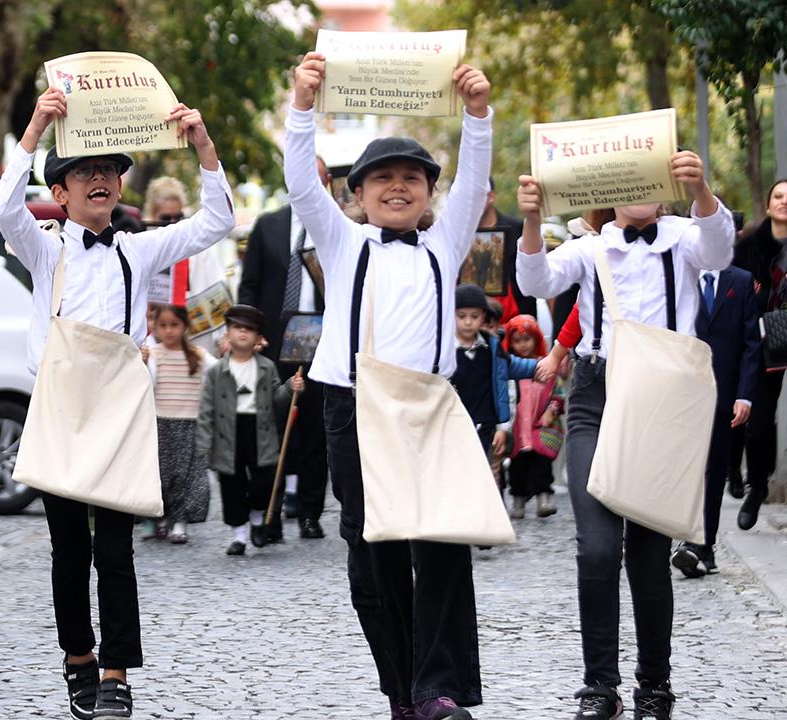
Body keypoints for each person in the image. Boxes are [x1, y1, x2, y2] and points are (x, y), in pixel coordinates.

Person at [0, 85, 233, 719]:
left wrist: (202, 144)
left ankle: (118, 670)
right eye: (83, 172)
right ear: (61, 194)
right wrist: (38, 124)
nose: (99, 179)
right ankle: (78, 658)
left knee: (117, 548)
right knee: (68, 547)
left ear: (121, 188)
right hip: (62, 409)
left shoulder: (140, 248)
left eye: (108, 171)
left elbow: (217, 223)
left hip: (122, 413)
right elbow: (2, 210)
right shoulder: (44, 246)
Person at [288, 51, 494, 720]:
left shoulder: (444, 243)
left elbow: (476, 177)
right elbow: (298, 181)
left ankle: (438, 687)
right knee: (370, 555)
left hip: (430, 406)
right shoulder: (343, 241)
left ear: (430, 193)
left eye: (412, 177)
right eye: (383, 179)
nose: (398, 187)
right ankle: (401, 686)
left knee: (439, 544)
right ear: (359, 193)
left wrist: (477, 111)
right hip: (351, 405)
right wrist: (301, 104)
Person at [515, 154, 735, 720]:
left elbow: (719, 249)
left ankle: (654, 687)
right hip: (596, 394)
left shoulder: (684, 237)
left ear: (663, 187)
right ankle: (599, 687)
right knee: (598, 546)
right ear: (609, 190)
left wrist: (700, 188)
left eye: (651, 178)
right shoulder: (591, 245)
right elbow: (535, 280)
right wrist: (534, 221)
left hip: (663, 401)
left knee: (647, 552)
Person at [239, 156, 330, 540]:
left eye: (317, 178)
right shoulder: (268, 225)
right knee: (269, 429)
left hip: (322, 341)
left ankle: (310, 512)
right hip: (274, 342)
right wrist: (250, 332)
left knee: (314, 430)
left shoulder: (335, 229)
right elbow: (250, 284)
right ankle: (268, 512)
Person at [669, 264, 758, 577]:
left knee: (712, 470)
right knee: (680, 467)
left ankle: (702, 545)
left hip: (723, 391)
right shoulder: (678, 273)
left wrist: (745, 395)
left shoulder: (741, 281)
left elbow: (751, 343)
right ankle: (678, 539)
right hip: (681, 389)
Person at [195, 305, 301, 555]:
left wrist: (289, 387)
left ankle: (256, 517)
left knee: (264, 478)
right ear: (228, 334)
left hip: (259, 429)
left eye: (249, 329)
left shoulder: (266, 367)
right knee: (231, 483)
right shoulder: (217, 371)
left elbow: (276, 398)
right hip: (227, 431)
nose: (243, 333)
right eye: (237, 327)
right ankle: (239, 536)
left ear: (258, 337)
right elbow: (207, 407)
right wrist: (204, 442)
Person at [730, 178, 787, 529]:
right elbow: (731, 285)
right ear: (768, 206)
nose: (784, 202)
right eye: (778, 196)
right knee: (759, 421)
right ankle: (757, 487)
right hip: (764, 340)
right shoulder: (748, 245)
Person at [143, 304, 217, 544]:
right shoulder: (153, 354)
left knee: (189, 476)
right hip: (161, 424)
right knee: (162, 476)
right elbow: (147, 382)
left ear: (185, 326)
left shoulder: (198, 355)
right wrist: (142, 361)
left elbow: (220, 372)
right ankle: (162, 518)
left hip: (191, 424)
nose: (169, 331)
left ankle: (181, 522)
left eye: (174, 325)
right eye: (163, 325)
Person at [449, 284, 537, 463]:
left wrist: (541, 366)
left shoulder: (492, 347)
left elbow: (512, 366)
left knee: (480, 474)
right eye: (461, 316)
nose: (468, 322)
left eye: (474, 316)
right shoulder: (444, 350)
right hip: (451, 424)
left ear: (483, 317)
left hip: (484, 425)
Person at [501, 314, 564, 519]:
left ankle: (544, 497)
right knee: (516, 469)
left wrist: (551, 410)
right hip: (517, 429)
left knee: (541, 465)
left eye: (527, 339)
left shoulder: (545, 367)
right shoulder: (508, 369)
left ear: (536, 340)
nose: (522, 345)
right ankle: (518, 501)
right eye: (517, 341)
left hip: (539, 426)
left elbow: (558, 392)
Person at [472, 179, 535, 324]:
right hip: (469, 325)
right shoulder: (458, 234)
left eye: (478, 196)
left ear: (491, 197)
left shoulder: (518, 229)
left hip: (517, 327)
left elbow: (536, 270)